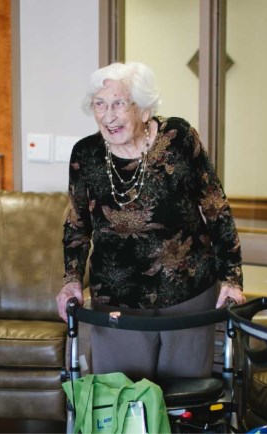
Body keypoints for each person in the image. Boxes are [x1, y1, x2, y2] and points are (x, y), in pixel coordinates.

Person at [55, 62, 246, 382]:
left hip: (187, 294)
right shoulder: (85, 154)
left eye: (118, 104)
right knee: (120, 402)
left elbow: (216, 208)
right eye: (99, 105)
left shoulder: (179, 139)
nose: (107, 115)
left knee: (184, 403)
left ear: (144, 110)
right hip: (116, 303)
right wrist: (72, 279)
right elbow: (77, 224)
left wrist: (232, 278)